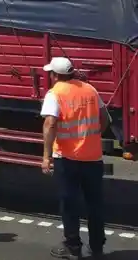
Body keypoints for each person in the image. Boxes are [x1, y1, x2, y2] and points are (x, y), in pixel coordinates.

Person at [40, 57, 109, 259]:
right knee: (94, 204)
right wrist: (94, 135)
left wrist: (46, 156)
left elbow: (50, 124)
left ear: (55, 75)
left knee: (70, 203)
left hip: (67, 158)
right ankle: (97, 246)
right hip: (93, 157)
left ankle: (73, 246)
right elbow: (105, 118)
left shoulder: (55, 93)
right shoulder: (90, 89)